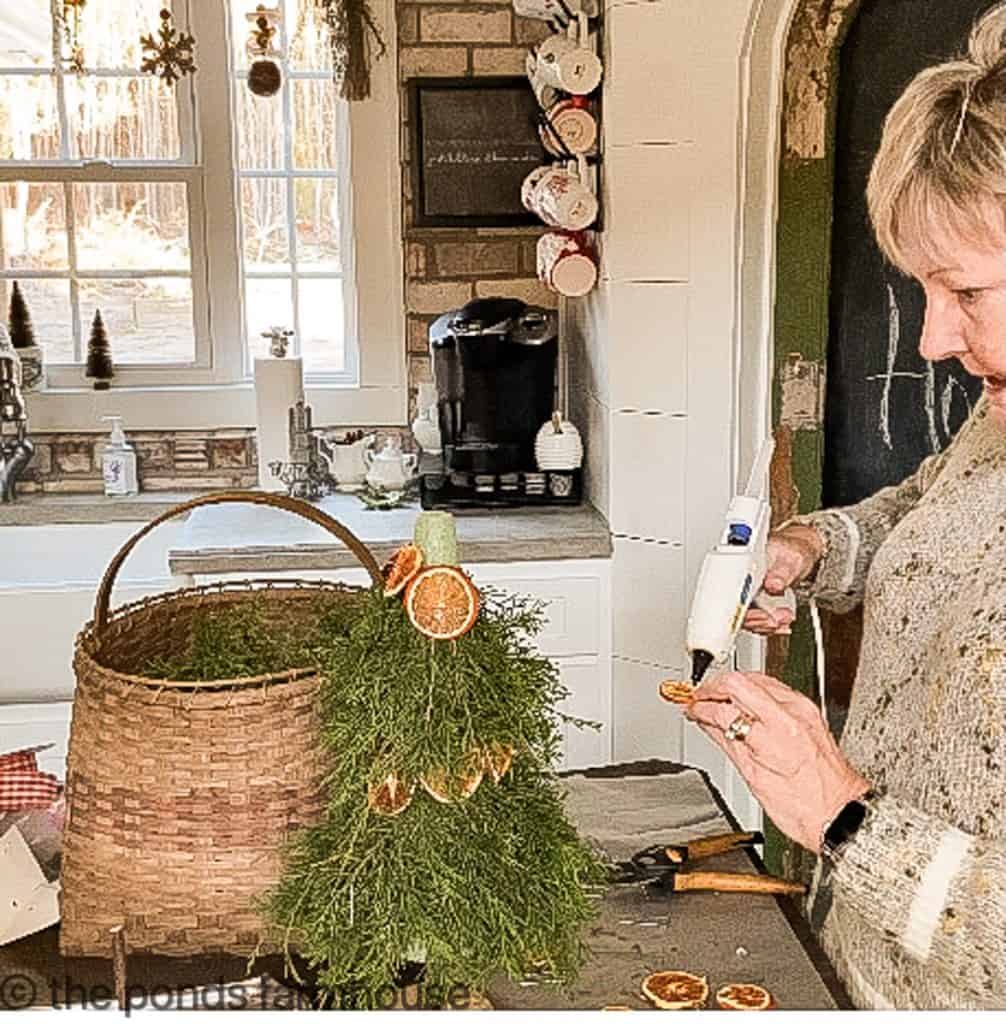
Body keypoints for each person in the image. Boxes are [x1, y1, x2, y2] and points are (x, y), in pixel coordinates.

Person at [684, 3, 1006, 1010]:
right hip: (853, 969)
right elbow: (934, 504)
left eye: (963, 291)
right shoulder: (999, 415)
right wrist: (814, 545)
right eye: (919, 290)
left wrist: (841, 816)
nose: (929, 341)